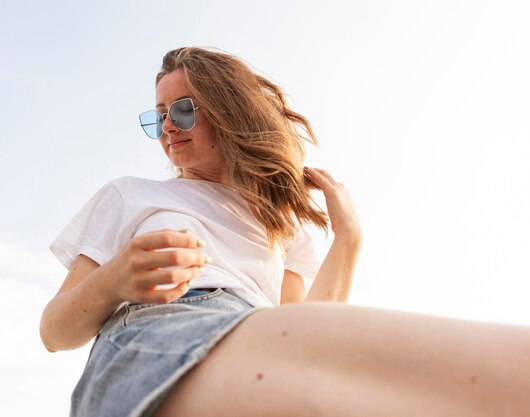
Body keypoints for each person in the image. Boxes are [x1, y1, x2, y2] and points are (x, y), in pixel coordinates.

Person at [40, 47, 530, 417]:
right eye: (159, 115)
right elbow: (54, 332)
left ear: (228, 110)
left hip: (248, 335)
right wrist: (116, 281)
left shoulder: (279, 226)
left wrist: (348, 239)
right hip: (155, 341)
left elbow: (308, 332)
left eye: (183, 109)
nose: (169, 125)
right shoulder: (130, 195)